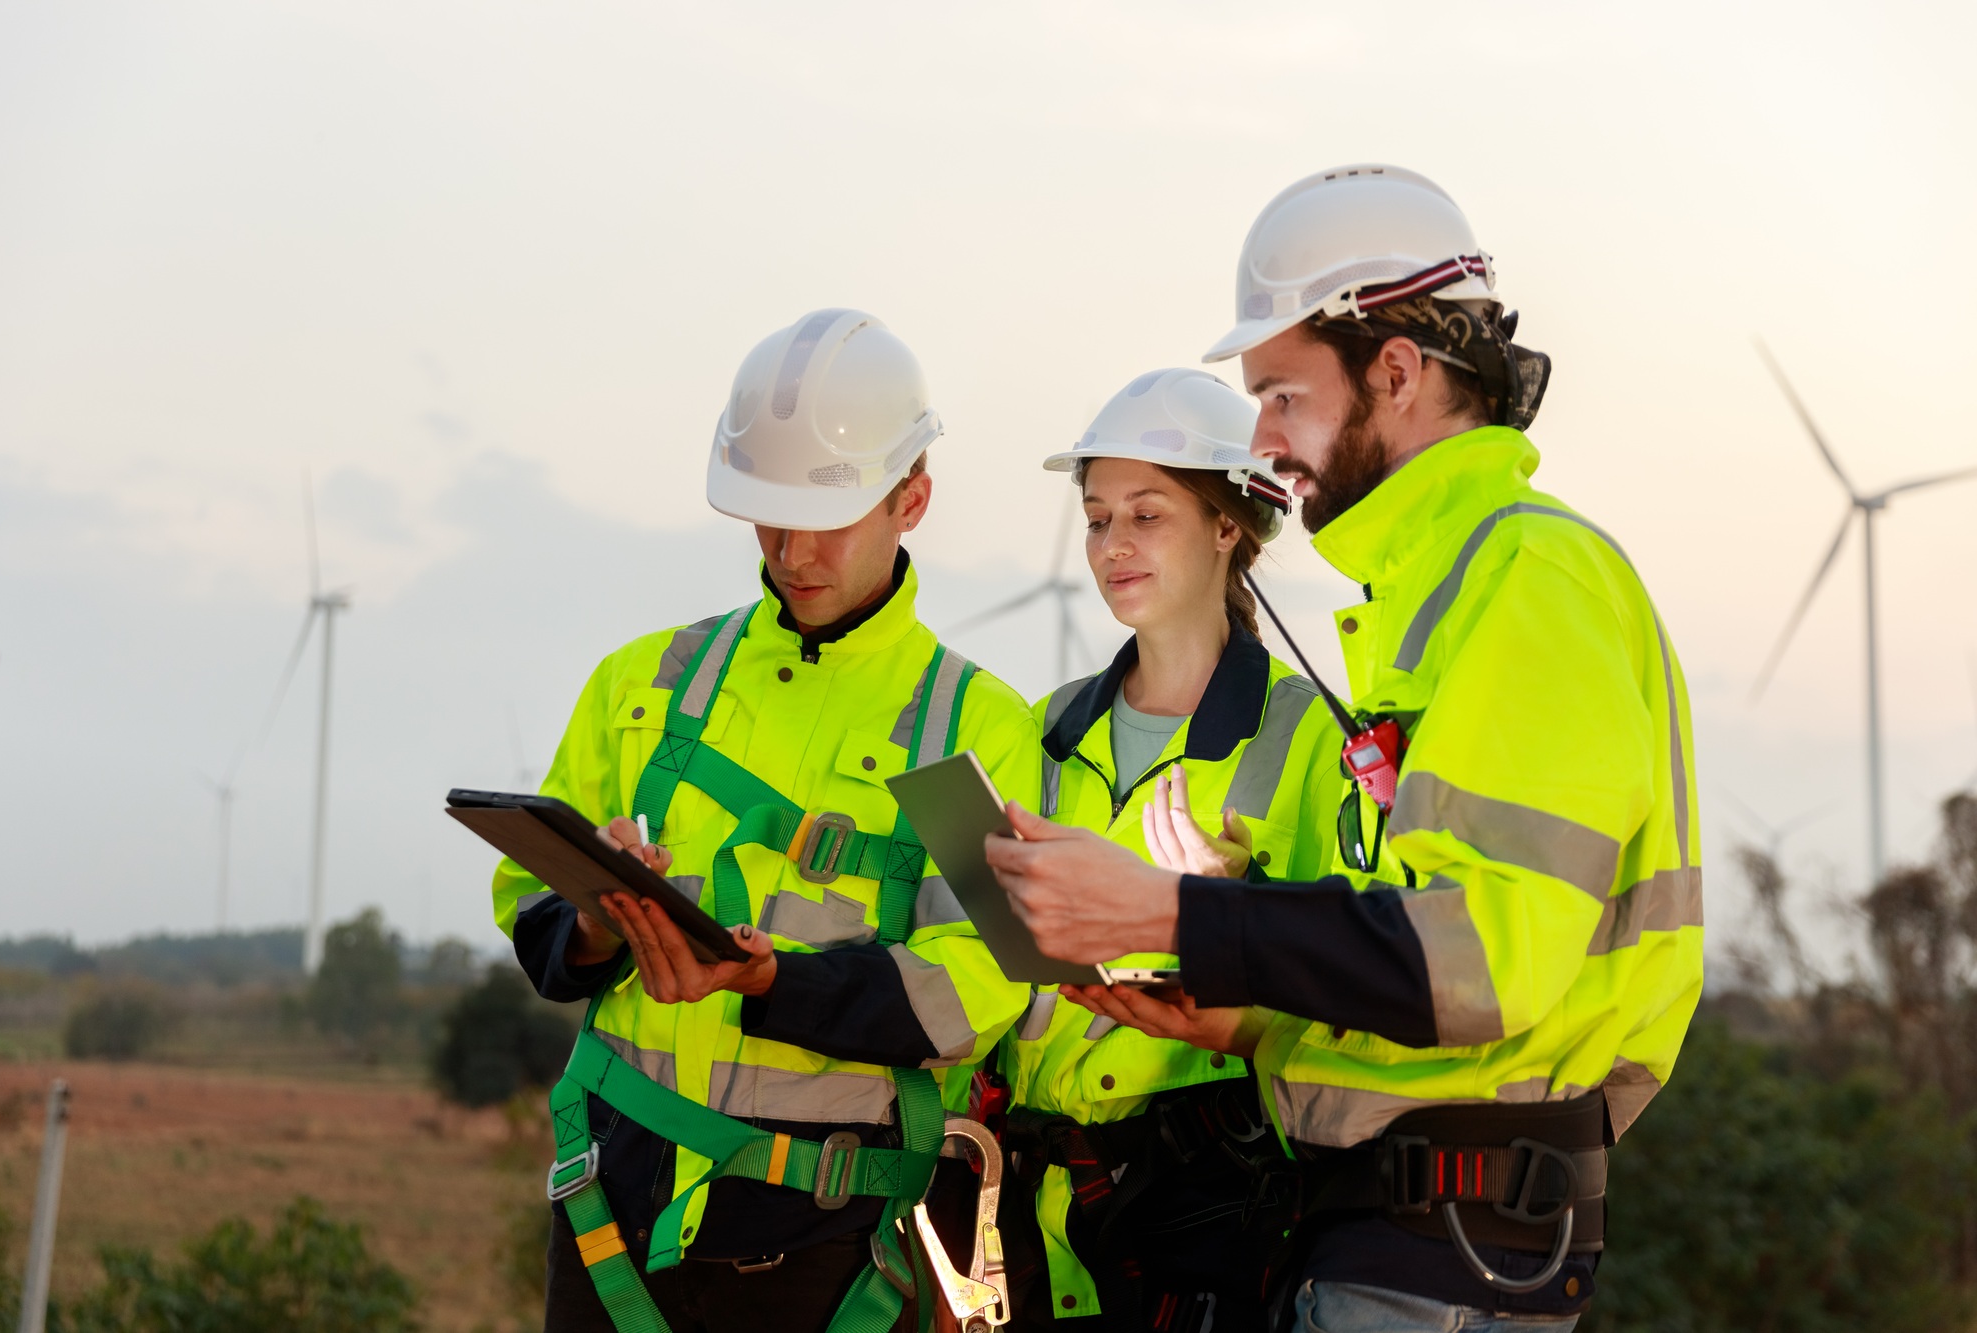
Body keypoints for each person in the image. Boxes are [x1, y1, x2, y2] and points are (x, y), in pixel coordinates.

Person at [987, 165, 1703, 1333]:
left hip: (1440, 1251)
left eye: (1280, 395)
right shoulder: (1437, 590)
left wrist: (1168, 912)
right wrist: (1250, 1021)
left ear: (1397, 371)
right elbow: (1424, 950)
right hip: (1392, 1239)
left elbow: (1483, 959)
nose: (1263, 440)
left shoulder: (1526, 579)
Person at [494, 308, 1039, 1333]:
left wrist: (776, 983)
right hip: (610, 1215)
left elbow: (984, 984)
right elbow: (531, 902)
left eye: (824, 518)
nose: (791, 551)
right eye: (767, 516)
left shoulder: (968, 729)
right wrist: (595, 924)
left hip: (826, 1246)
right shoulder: (644, 686)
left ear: (912, 499)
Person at [997, 368, 1350, 1331]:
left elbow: (1355, 987)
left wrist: (1231, 921)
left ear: (1228, 525)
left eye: (1146, 515)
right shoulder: (1044, 728)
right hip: (1026, 1218)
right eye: (1097, 518)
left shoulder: (1311, 739)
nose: (1112, 545)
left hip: (1206, 1216)